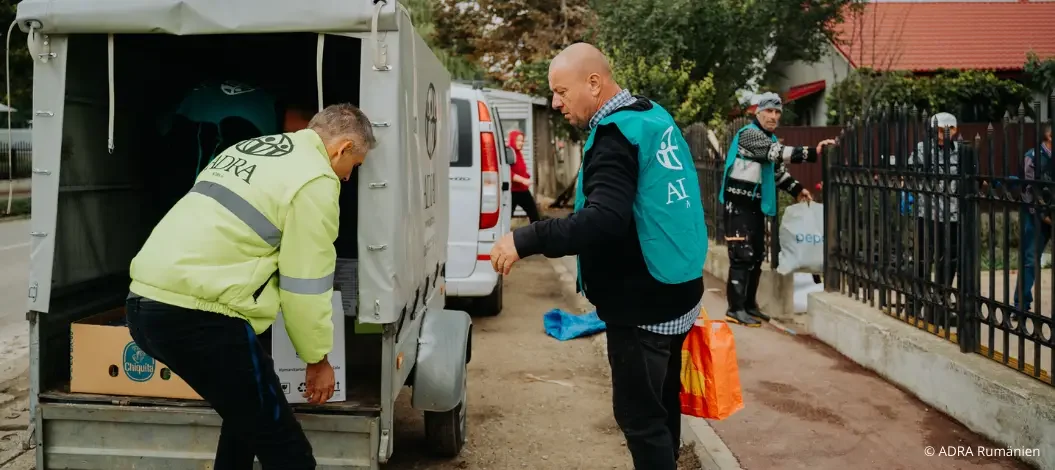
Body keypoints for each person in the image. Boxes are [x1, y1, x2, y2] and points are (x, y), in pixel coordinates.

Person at [489, 43, 707, 470]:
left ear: (594, 83)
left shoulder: (613, 137)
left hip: (642, 307)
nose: (555, 103)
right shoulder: (652, 116)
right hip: (679, 292)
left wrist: (525, 239)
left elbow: (603, 220)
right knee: (662, 407)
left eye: (561, 91)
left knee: (641, 420)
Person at [125, 103, 377, 469]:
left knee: (245, 422)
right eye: (354, 166)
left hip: (145, 304)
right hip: (200, 318)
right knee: (287, 449)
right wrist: (317, 358)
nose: (348, 178)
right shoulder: (315, 180)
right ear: (342, 148)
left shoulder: (250, 149)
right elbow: (304, 284)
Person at [719, 92, 833, 326]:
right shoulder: (749, 135)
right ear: (758, 113)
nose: (773, 116)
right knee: (742, 256)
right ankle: (735, 308)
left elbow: (777, 172)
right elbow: (776, 154)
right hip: (738, 206)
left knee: (757, 255)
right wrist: (815, 152)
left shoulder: (768, 138)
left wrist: (798, 190)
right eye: (768, 111)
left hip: (755, 206)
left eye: (777, 112)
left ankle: (750, 305)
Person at [905, 112, 962, 326]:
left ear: (955, 130)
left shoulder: (962, 152)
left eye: (947, 130)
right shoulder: (922, 149)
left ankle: (940, 306)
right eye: (939, 130)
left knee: (949, 262)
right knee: (923, 259)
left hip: (953, 215)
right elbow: (910, 173)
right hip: (926, 213)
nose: (942, 135)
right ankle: (916, 302)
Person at [1015, 122, 1054, 314]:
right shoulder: (1032, 157)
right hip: (1035, 217)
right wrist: (1043, 216)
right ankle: (1021, 304)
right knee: (1030, 259)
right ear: (1049, 136)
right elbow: (1028, 191)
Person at [508, 129, 541, 222]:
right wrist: (523, 180)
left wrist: (526, 175)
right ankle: (504, 235)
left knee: (533, 213)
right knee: (507, 216)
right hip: (512, 192)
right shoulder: (509, 153)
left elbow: (518, 168)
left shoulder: (518, 153)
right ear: (512, 140)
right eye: (518, 140)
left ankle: (536, 234)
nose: (521, 143)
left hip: (522, 190)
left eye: (522, 140)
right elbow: (508, 173)